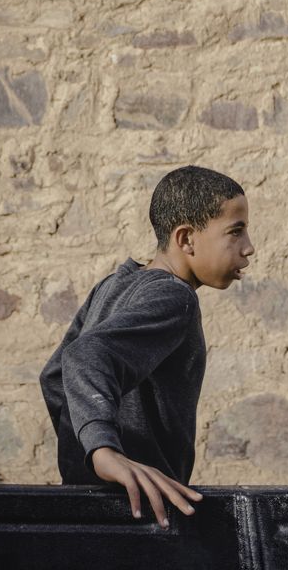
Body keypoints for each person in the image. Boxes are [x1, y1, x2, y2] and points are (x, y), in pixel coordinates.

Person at [40, 165, 255, 529]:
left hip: (87, 506)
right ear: (186, 239)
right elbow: (85, 357)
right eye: (235, 232)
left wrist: (83, 464)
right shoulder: (176, 297)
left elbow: (55, 377)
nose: (249, 247)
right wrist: (104, 452)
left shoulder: (112, 286)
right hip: (140, 511)